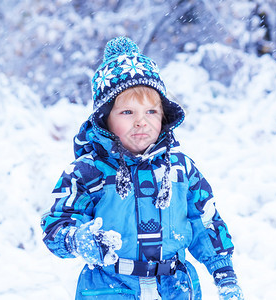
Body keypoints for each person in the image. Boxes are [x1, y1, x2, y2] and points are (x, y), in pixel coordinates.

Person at [40, 36, 244, 300]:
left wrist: (224, 275)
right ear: (104, 119)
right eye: (127, 113)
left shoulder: (181, 171)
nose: (141, 122)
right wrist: (77, 239)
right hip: (109, 287)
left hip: (175, 287)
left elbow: (205, 222)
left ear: (163, 115)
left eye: (151, 112)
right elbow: (56, 225)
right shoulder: (88, 173)